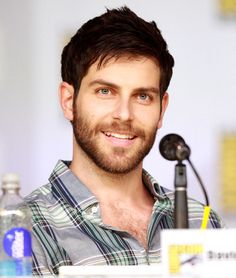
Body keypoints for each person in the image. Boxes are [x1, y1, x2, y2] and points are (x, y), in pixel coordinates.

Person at [24, 6, 223, 276]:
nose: (124, 115)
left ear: (161, 109)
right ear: (68, 101)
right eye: (105, 91)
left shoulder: (202, 222)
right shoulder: (23, 230)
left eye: (142, 96)